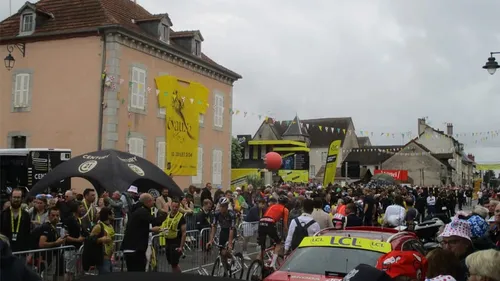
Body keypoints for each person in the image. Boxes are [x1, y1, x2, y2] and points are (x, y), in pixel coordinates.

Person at [121, 193, 161, 272]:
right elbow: (155, 221)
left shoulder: (137, 209)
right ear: (148, 202)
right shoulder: (142, 211)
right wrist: (165, 212)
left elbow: (138, 228)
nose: (154, 203)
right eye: (153, 201)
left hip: (131, 247)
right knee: (138, 272)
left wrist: (151, 230)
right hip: (135, 248)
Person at [257, 195, 289, 269]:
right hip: (270, 223)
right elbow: (285, 225)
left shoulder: (272, 206)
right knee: (278, 243)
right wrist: (287, 235)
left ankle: (255, 265)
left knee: (263, 248)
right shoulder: (285, 209)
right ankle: (273, 264)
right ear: (286, 203)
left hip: (261, 222)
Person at [158, 199, 186, 273]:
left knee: (174, 264)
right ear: (170, 206)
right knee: (172, 263)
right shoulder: (167, 215)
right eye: (173, 206)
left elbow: (184, 233)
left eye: (176, 207)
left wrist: (181, 247)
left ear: (179, 207)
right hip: (168, 242)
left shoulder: (181, 217)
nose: (174, 208)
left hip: (176, 242)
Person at [207, 197, 236, 266]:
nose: (221, 208)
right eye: (220, 206)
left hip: (231, 232)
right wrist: (210, 241)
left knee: (226, 252)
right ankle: (226, 268)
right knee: (222, 253)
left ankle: (233, 259)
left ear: (226, 207)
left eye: (223, 206)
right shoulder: (216, 214)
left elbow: (232, 229)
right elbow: (214, 227)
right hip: (223, 231)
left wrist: (229, 243)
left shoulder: (231, 214)